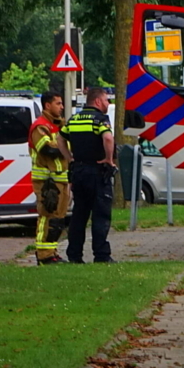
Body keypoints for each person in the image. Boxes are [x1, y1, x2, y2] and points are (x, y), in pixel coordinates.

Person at [57, 87, 116, 264]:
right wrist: (109, 159)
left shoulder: (73, 119)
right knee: (100, 214)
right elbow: (107, 138)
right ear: (98, 101)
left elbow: (60, 139)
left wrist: (70, 158)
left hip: (79, 172)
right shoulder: (100, 120)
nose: (108, 104)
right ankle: (101, 255)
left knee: (79, 215)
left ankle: (74, 255)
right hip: (97, 172)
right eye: (106, 100)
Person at [29, 91, 71, 264]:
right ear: (47, 105)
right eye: (58, 104)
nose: (62, 107)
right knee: (46, 216)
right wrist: (65, 145)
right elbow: (48, 149)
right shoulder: (40, 126)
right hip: (47, 181)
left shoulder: (59, 125)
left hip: (60, 180)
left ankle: (51, 252)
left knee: (57, 219)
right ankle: (43, 255)